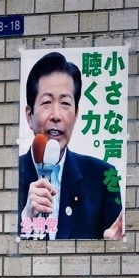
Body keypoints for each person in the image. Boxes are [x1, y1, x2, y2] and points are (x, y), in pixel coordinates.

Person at [19, 51, 123, 240]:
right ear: (29, 116)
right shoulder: (7, 176)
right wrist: (24, 220)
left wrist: (111, 249)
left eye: (66, 103)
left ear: (76, 115)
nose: (56, 115)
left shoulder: (104, 178)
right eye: (47, 102)